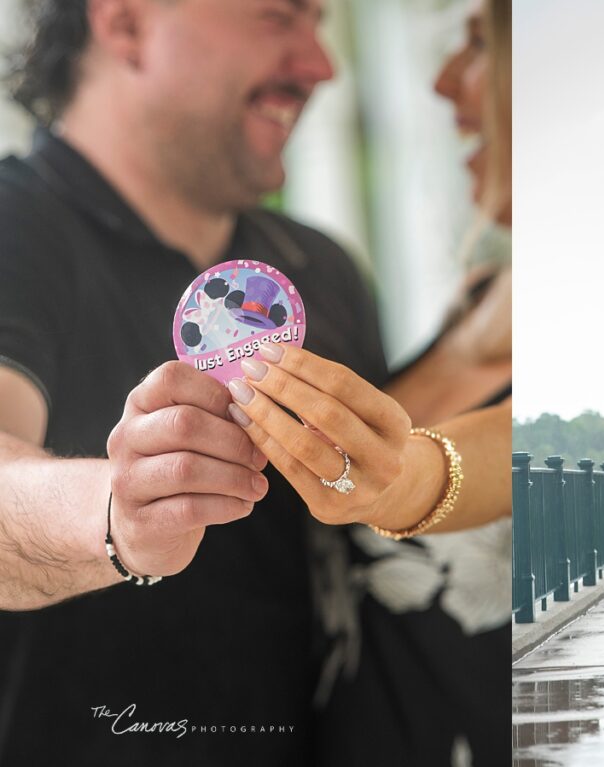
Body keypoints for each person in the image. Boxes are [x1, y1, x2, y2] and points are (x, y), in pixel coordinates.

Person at [0, 1, 506, 763]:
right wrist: (120, 512)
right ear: (127, 23)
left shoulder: (323, 273)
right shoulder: (17, 229)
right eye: (279, 16)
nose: (322, 65)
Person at [228, 2, 513, 763]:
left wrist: (400, 480)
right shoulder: (474, 298)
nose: (445, 81)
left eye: (480, 43)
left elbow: (484, 457)